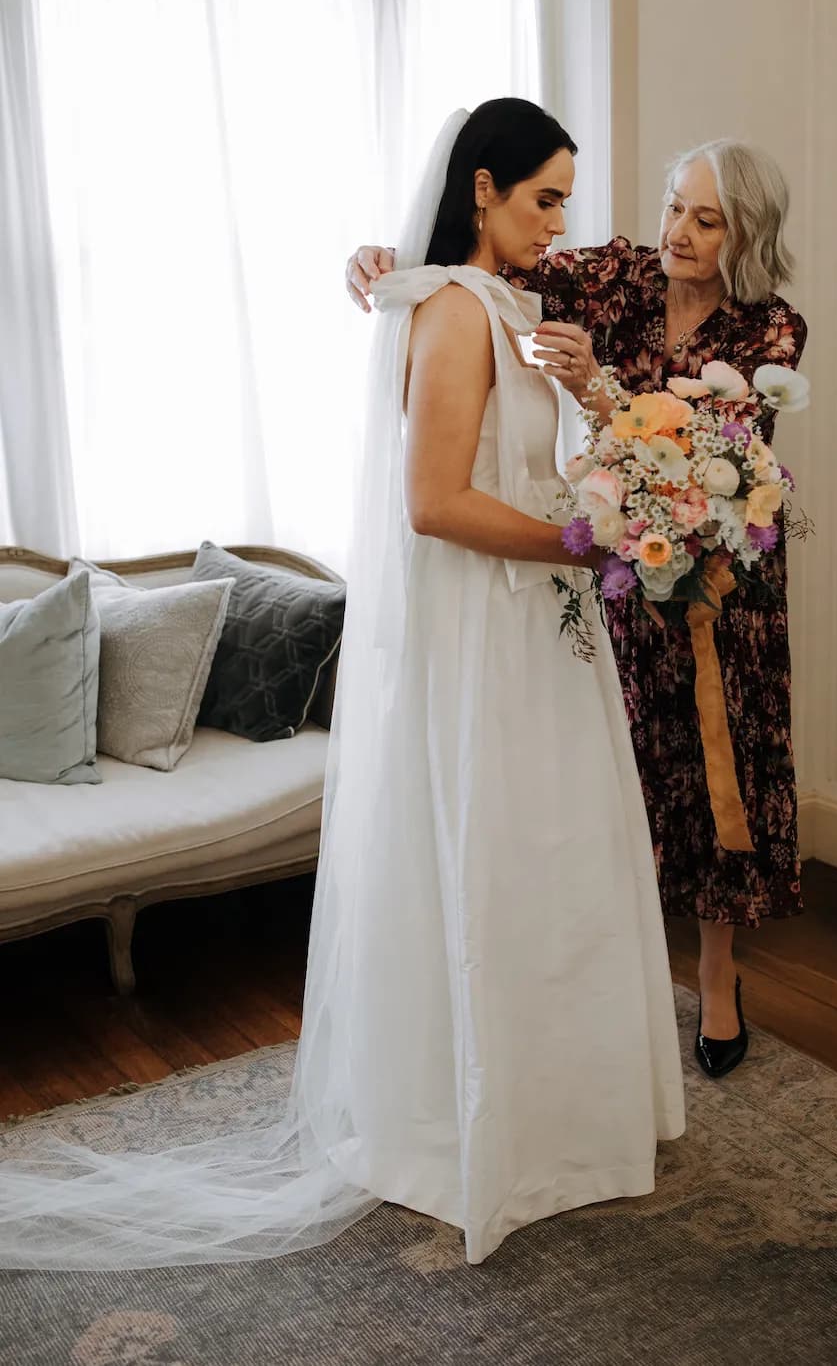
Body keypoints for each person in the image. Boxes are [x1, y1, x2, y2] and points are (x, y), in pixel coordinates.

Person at [0, 99, 685, 1272]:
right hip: (503, 622)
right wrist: (585, 546)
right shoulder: (461, 311)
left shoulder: (495, 302)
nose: (561, 221)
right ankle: (494, 1122)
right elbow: (435, 504)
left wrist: (605, 455)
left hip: (535, 626)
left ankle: (550, 1105)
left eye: (566, 197)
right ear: (482, 188)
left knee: (545, 856)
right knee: (506, 854)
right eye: (544, 197)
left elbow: (513, 448)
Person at [348, 137, 807, 1081]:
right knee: (622, 778)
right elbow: (487, 265)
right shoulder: (617, 276)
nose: (677, 232)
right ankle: (618, 976)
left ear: (745, 233)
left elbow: (709, 457)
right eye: (675, 205)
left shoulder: (772, 331)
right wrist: (382, 261)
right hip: (616, 574)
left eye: (705, 219)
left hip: (721, 592)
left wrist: (595, 386)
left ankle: (717, 976)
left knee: (721, 780)